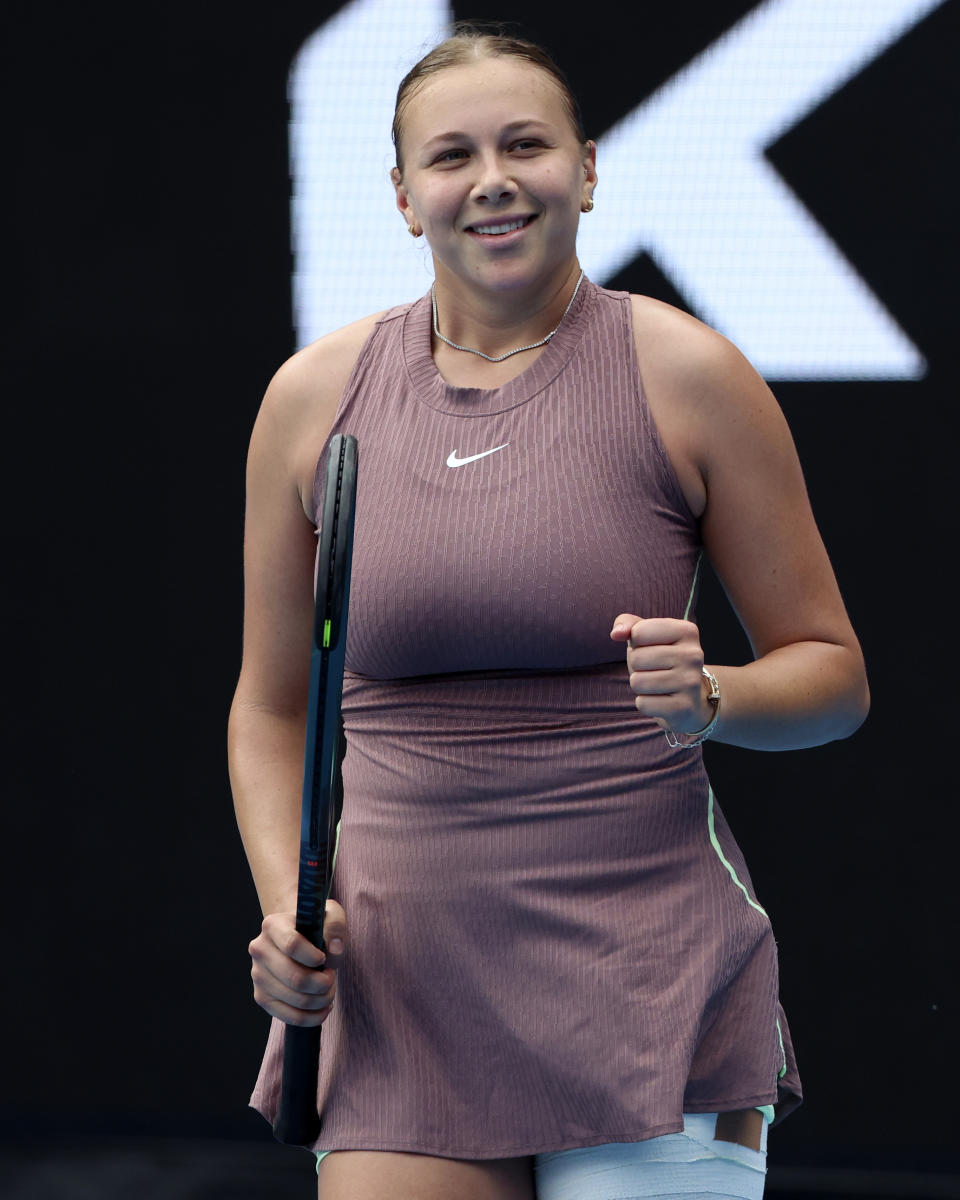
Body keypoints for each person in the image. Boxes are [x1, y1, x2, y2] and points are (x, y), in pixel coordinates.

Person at [228, 25, 869, 1200]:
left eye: (526, 145)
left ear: (584, 169)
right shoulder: (311, 401)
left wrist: (716, 696)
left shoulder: (689, 375)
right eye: (452, 156)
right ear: (406, 197)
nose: (494, 180)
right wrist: (291, 908)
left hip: (648, 964)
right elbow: (271, 708)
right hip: (400, 979)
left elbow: (832, 680)